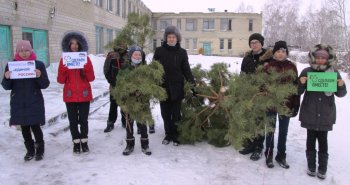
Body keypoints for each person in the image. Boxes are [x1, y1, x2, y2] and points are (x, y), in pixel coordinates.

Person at [298, 44, 347, 179]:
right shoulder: (307, 71)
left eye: (323, 58)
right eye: (318, 57)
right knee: (310, 140)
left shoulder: (334, 73)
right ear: (313, 58)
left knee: (323, 141)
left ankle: (323, 168)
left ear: (328, 59)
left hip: (326, 114)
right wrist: (301, 83)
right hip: (310, 113)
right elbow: (298, 91)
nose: (320, 60)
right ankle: (311, 165)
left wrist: (341, 86)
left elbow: (341, 94)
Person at [1, 40, 50, 161]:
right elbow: (6, 86)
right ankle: (30, 150)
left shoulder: (38, 65)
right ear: (17, 51)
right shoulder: (12, 65)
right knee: (24, 128)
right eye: (21, 50)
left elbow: (45, 84)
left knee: (36, 127)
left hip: (34, 101)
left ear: (31, 50)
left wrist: (39, 76)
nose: (24, 53)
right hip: (19, 102)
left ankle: (40, 150)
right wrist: (6, 78)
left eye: (26, 50)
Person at [153, 25, 195, 146]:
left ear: (177, 38)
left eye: (173, 37)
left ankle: (176, 135)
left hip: (177, 88)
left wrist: (192, 84)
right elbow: (154, 69)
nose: (171, 39)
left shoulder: (182, 52)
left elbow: (186, 69)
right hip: (163, 88)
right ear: (166, 38)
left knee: (176, 114)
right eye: (169, 37)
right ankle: (168, 134)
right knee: (165, 114)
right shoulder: (159, 51)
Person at [262, 41, 300, 168]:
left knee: (283, 131)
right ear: (274, 53)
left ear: (286, 53)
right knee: (270, 131)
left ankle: (281, 155)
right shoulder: (268, 66)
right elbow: (262, 86)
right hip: (271, 104)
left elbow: (296, 88)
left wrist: (296, 105)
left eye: (283, 51)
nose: (280, 54)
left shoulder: (292, 67)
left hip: (286, 105)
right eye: (278, 51)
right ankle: (269, 155)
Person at [57, 31, 95, 154]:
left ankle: (84, 142)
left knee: (83, 121)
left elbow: (91, 78)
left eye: (76, 43)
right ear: (68, 45)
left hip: (84, 95)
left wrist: (86, 66)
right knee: (73, 121)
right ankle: (76, 142)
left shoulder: (86, 59)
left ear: (80, 45)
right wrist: (64, 67)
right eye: (72, 43)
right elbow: (60, 80)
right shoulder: (64, 59)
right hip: (70, 95)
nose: (74, 46)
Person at [239, 33, 268, 161]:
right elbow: (242, 75)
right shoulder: (247, 58)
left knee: (260, 121)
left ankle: (259, 147)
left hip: (262, 94)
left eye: (256, 42)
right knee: (250, 119)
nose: (254, 44)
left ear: (261, 43)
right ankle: (251, 144)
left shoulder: (268, 58)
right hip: (249, 94)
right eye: (252, 43)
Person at [120, 45, 152, 155]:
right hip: (129, 100)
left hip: (142, 100)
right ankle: (129, 144)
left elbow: (150, 84)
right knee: (129, 123)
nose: (137, 56)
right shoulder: (125, 68)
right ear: (131, 55)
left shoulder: (146, 69)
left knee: (142, 123)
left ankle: (145, 144)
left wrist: (143, 91)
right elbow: (120, 83)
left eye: (139, 54)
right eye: (135, 54)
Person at [103, 43, 128, 132]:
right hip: (114, 86)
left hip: (126, 86)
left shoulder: (128, 55)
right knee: (113, 104)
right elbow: (106, 70)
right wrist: (112, 81)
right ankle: (110, 123)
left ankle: (125, 121)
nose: (121, 46)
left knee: (125, 104)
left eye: (123, 45)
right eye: (119, 44)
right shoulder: (111, 55)